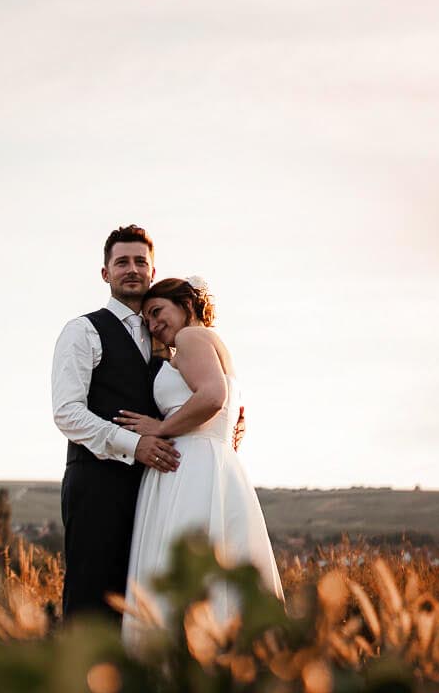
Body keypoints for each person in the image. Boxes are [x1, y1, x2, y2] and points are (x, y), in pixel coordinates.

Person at [115, 274, 283, 651]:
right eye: (148, 321)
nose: (155, 325)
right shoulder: (215, 345)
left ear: (187, 306)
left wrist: (160, 428)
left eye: (158, 312)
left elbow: (212, 395)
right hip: (217, 464)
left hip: (188, 467)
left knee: (183, 572)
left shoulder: (191, 337)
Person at [50, 225, 179, 621]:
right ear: (105, 273)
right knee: (93, 600)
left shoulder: (168, 337)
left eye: (141, 261)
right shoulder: (83, 331)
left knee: (144, 603)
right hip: (97, 486)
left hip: (156, 488)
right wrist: (132, 443)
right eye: (121, 262)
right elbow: (67, 413)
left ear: (153, 272)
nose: (132, 269)